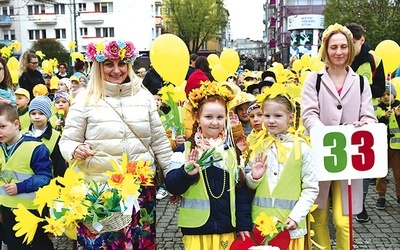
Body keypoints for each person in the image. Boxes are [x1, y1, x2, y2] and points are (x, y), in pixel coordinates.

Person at [59, 39, 172, 249]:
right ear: (98, 66)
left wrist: (173, 178)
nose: (117, 70)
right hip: (101, 191)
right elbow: (67, 141)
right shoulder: (84, 99)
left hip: (140, 191)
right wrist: (75, 149)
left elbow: (159, 141)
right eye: (109, 64)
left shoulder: (144, 96)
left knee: (140, 244)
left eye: (121, 64)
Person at [301, 23, 377, 250]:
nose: (339, 51)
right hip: (319, 157)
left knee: (343, 222)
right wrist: (326, 133)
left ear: (351, 49)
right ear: (325, 49)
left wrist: (361, 125)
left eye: (344, 46)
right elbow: (308, 115)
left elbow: (370, 117)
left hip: (348, 161)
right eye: (333, 46)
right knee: (319, 219)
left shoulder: (361, 82)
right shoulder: (313, 80)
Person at [165, 80, 252, 250]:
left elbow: (240, 191)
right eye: (208, 117)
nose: (215, 122)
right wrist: (186, 172)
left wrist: (243, 224)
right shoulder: (185, 150)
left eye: (220, 117)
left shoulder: (231, 151)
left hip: (227, 228)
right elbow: (171, 185)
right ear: (197, 117)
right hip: (195, 229)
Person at [246, 94, 319, 249]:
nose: (271, 120)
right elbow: (249, 185)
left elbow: (310, 188)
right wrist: (254, 177)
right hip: (260, 226)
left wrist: (296, 217)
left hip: (289, 227)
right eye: (267, 115)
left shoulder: (303, 148)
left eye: (278, 116)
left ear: (290, 117)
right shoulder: (259, 145)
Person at [0, 102, 54, 250]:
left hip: (32, 211)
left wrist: (20, 187)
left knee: (40, 245)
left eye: (2, 126)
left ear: (16, 124)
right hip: (6, 209)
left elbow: (45, 177)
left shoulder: (35, 147)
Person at [347, 23, 386, 222]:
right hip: (342, 118)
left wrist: (362, 89)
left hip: (365, 118)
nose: (350, 47)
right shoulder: (338, 55)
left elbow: (381, 87)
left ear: (362, 39)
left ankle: (359, 206)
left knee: (361, 165)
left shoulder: (374, 59)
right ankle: (340, 203)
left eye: (354, 43)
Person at [22, 96, 66, 178]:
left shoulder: (56, 137)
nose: (37, 116)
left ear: (48, 115)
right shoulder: (22, 134)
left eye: (41, 113)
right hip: (24, 184)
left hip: (47, 184)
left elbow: (59, 166)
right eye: (33, 113)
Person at [374, 83, 400, 209]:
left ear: (394, 95)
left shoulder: (398, 107)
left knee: (398, 174)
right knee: (381, 174)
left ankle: (399, 195)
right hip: (381, 146)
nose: (386, 97)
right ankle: (381, 196)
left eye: (388, 94)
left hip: (397, 147)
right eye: (383, 95)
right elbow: (374, 125)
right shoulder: (377, 109)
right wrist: (384, 118)